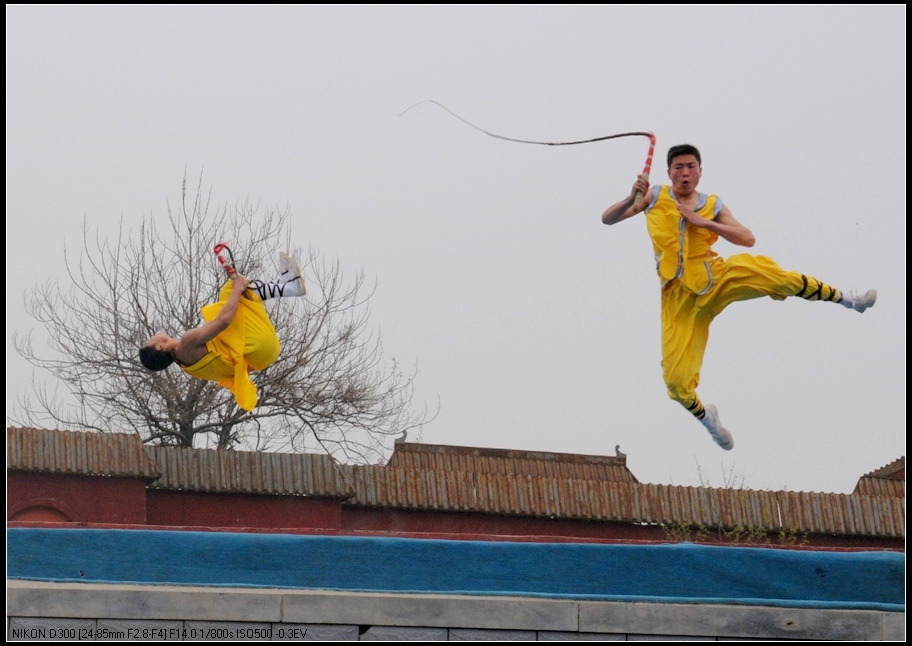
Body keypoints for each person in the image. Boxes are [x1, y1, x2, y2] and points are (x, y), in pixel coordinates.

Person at [601, 144, 876, 450]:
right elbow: (607, 219)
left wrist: (705, 223)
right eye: (678, 167)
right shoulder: (653, 196)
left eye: (691, 166)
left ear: (700, 171)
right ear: (669, 173)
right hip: (677, 297)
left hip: (716, 278)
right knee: (675, 381)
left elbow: (747, 238)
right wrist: (630, 196)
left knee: (775, 276)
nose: (685, 173)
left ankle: (848, 300)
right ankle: (708, 420)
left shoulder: (711, 204)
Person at [139, 251, 306, 412]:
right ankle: (290, 286)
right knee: (230, 292)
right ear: (159, 347)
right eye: (149, 341)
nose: (151, 336)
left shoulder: (188, 367)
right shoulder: (187, 343)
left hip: (261, 358)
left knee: (232, 300)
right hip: (258, 346)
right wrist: (238, 288)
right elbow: (223, 321)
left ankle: (286, 285)